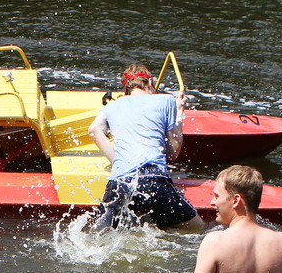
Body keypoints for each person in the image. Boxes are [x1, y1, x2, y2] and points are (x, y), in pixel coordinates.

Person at [87, 64, 203, 231]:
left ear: (125, 87)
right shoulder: (166, 100)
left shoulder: (110, 107)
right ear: (150, 82)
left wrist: (117, 159)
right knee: (196, 228)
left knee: (101, 232)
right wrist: (179, 111)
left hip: (119, 181)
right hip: (153, 178)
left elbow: (93, 130)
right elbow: (173, 152)